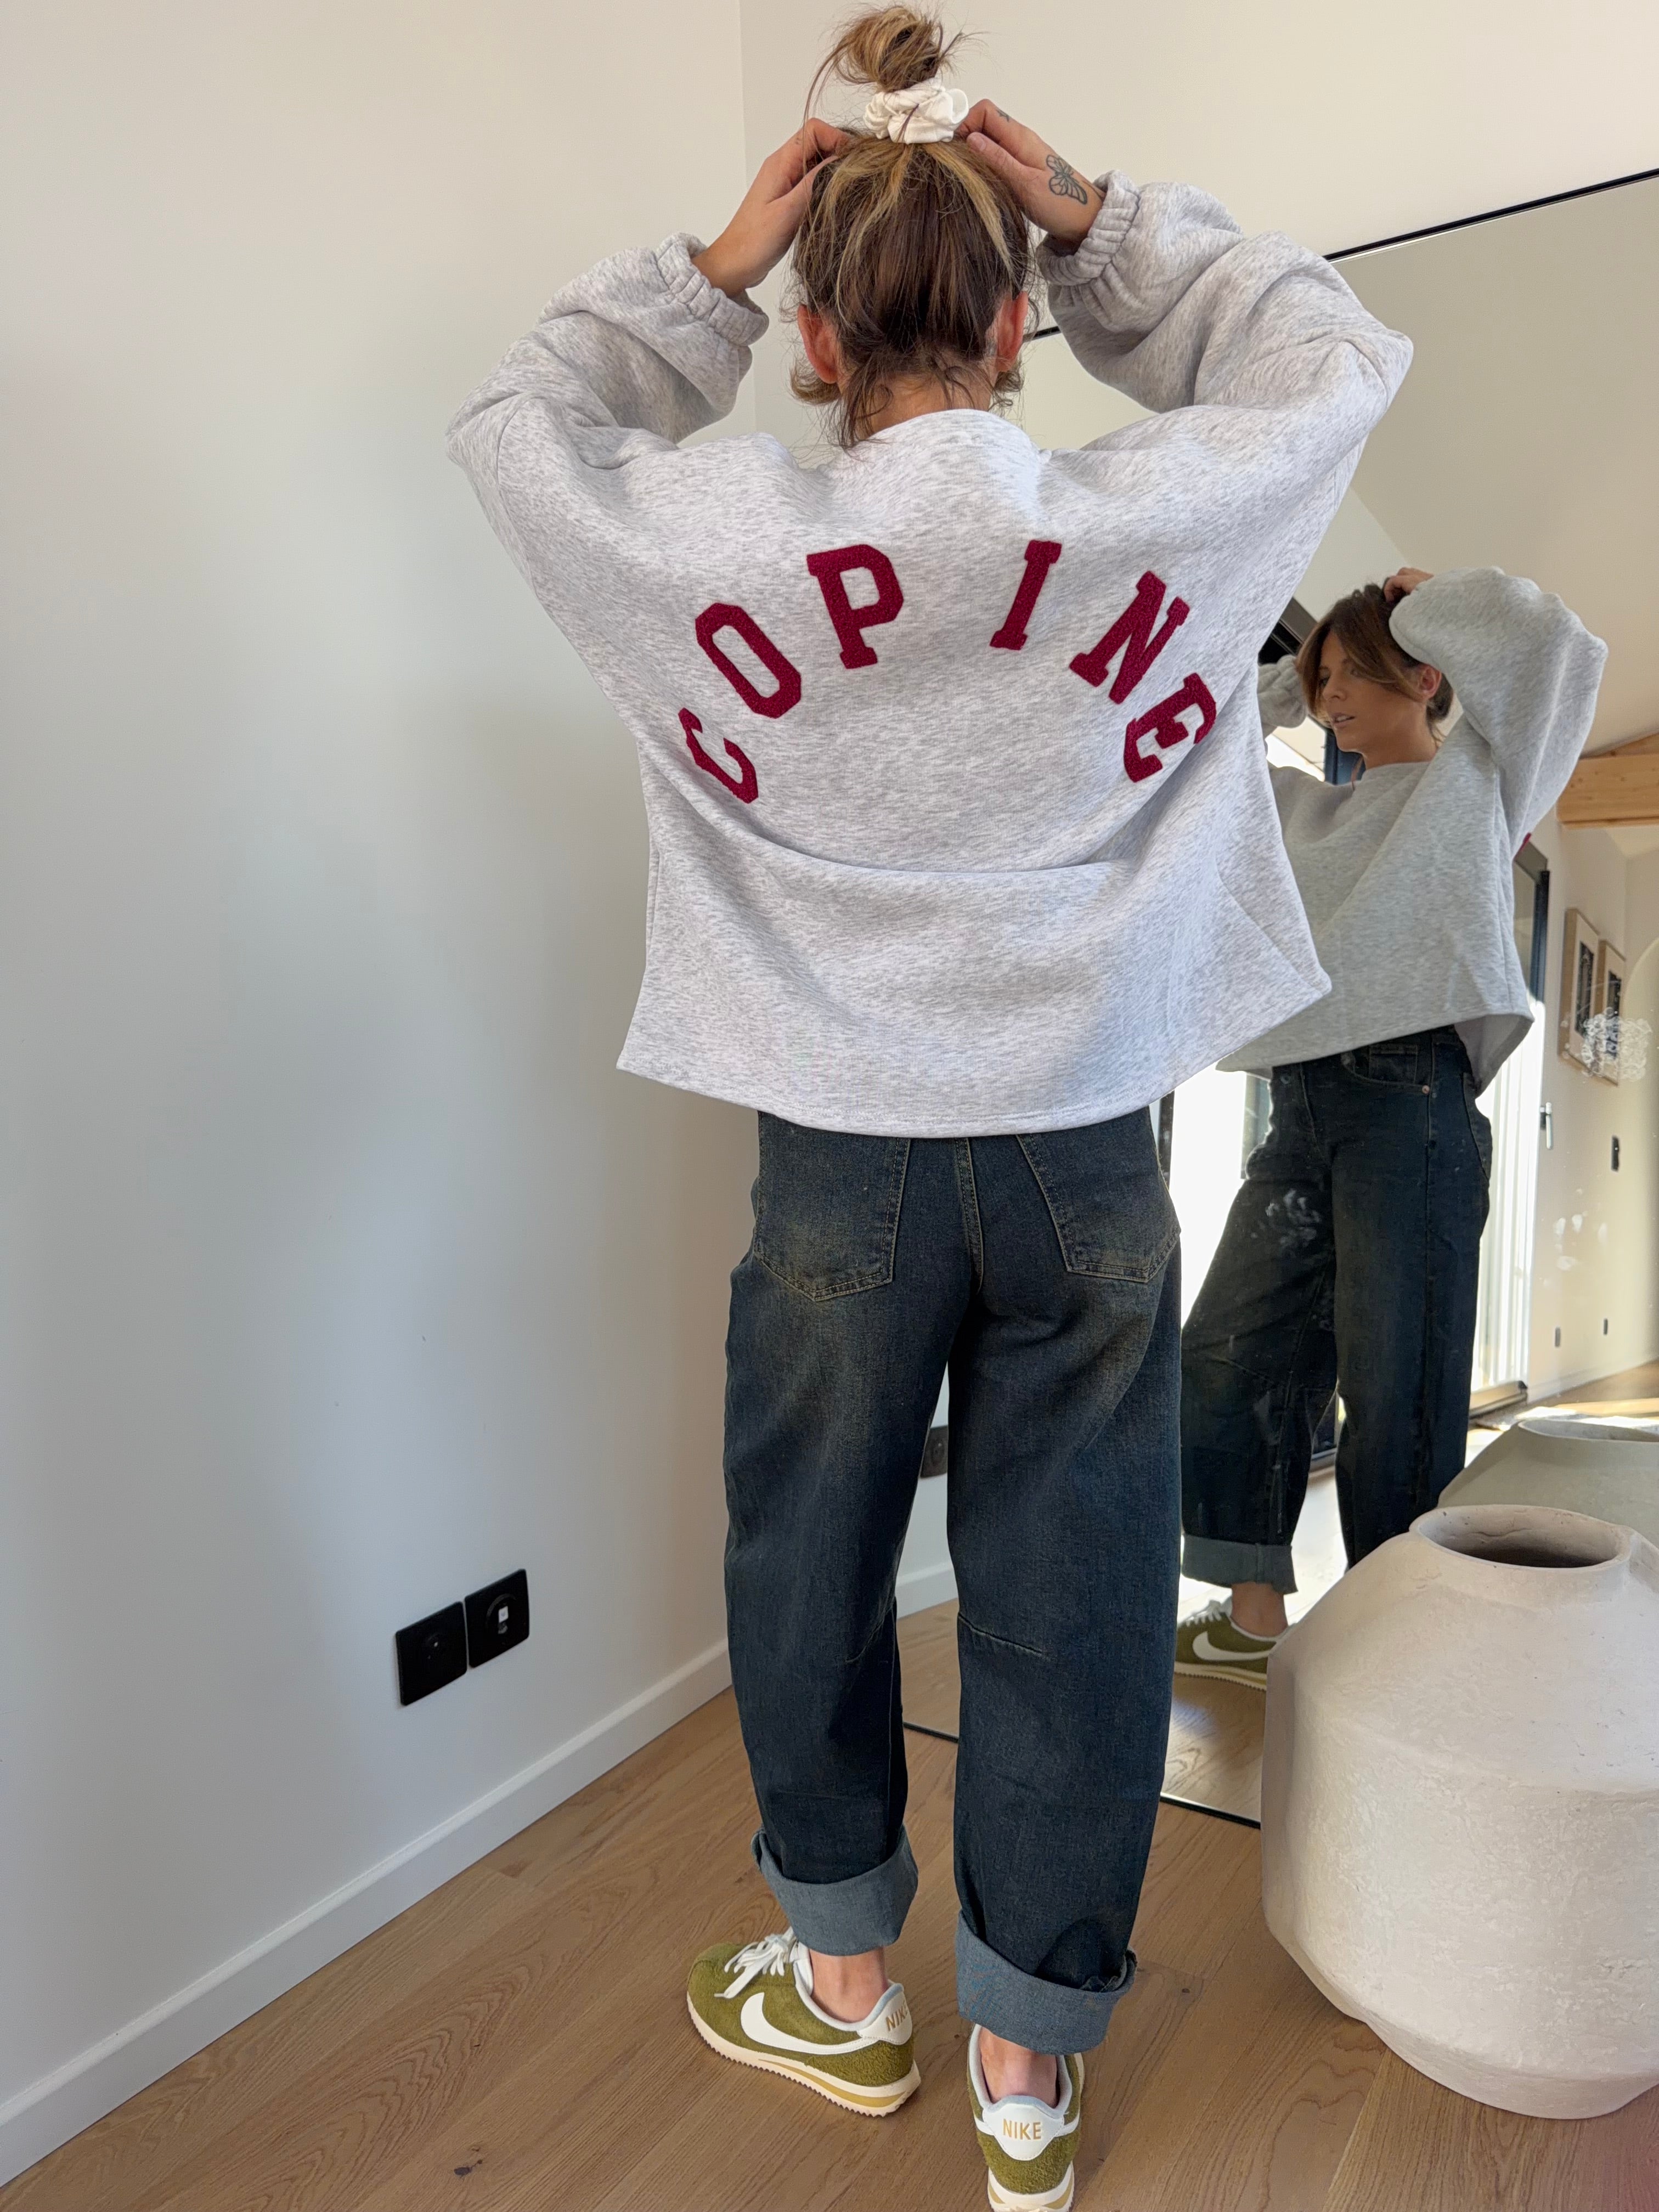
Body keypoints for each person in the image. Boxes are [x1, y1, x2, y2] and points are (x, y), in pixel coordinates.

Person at [447, 7, 1407, 2200]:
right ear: (1011, 318)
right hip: (1085, 1147)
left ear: (811, 334)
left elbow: (517, 424)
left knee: (808, 1551)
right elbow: (1332, 353)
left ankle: (843, 1987)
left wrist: (706, 269)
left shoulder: (706, 547)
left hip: (835, 1154)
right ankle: (1030, 2082)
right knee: (1079, 1583)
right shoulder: (1168, 519)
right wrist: (1101, 223)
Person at [1176, 566, 1606, 1688]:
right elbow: (1188, 738)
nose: (1329, 699)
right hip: (1298, 1110)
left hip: (1411, 1105)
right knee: (1226, 1353)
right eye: (1318, 679)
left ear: (1424, 678)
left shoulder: (1481, 779)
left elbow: (1557, 653)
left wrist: (1423, 604)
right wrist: (1291, 681)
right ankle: (1254, 1623)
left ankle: (1395, 1645)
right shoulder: (1299, 808)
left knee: (1397, 1385)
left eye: (1350, 675)